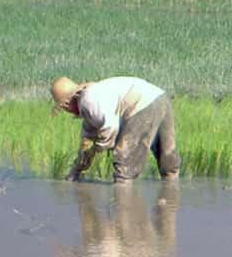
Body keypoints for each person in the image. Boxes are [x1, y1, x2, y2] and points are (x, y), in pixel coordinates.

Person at [51, 76, 180, 183]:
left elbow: (111, 127)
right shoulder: (93, 99)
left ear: (67, 104)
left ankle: (123, 203)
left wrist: (99, 146)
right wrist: (76, 170)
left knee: (124, 167)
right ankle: (170, 196)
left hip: (142, 105)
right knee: (168, 161)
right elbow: (86, 142)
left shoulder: (88, 101)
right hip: (160, 97)